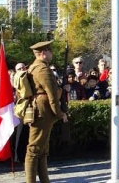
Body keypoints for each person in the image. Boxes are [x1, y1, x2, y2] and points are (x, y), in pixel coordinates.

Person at [25, 40, 68, 183]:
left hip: (40, 109)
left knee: (42, 150)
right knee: (34, 150)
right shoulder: (42, 69)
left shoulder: (36, 67)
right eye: (50, 51)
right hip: (43, 110)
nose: (52, 54)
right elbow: (52, 94)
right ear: (43, 53)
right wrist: (59, 113)